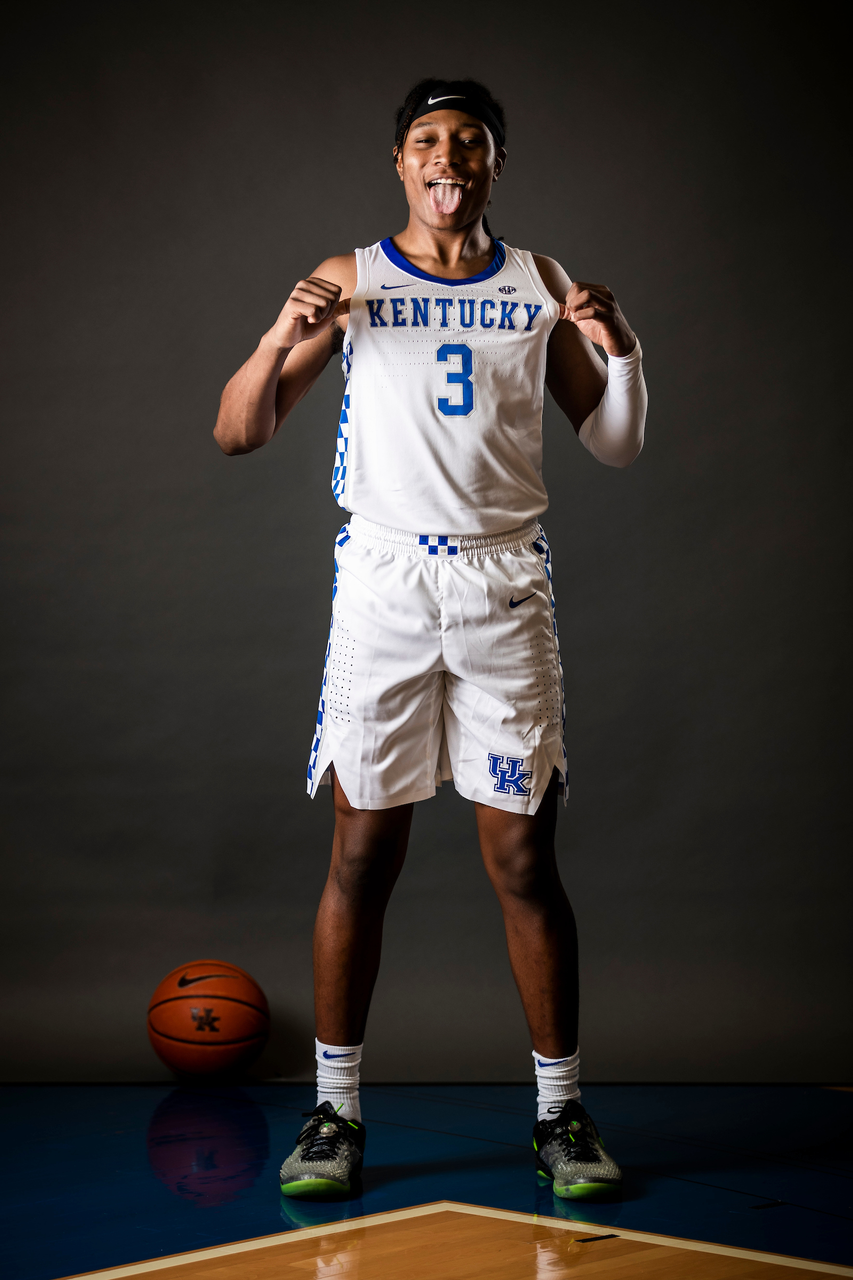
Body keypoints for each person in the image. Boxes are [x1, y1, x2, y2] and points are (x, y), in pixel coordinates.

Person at [214, 77, 647, 1203]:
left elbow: (612, 445)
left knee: (521, 856)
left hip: (505, 581)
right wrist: (279, 334)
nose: (445, 157)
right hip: (388, 581)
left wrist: (624, 354)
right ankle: (335, 1110)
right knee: (364, 851)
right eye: (425, 140)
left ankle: (560, 1115)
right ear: (398, 163)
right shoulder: (352, 279)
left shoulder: (537, 282)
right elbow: (238, 430)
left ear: (494, 163)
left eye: (468, 140)